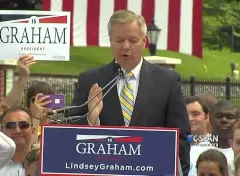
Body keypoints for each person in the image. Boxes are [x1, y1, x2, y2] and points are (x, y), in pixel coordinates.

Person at [71, 10, 190, 175]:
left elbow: (180, 138)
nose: (125, 46)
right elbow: (71, 134)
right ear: (111, 41)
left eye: (133, 40)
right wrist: (92, 118)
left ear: (144, 41)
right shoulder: (90, 80)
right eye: (119, 40)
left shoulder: (167, 81)